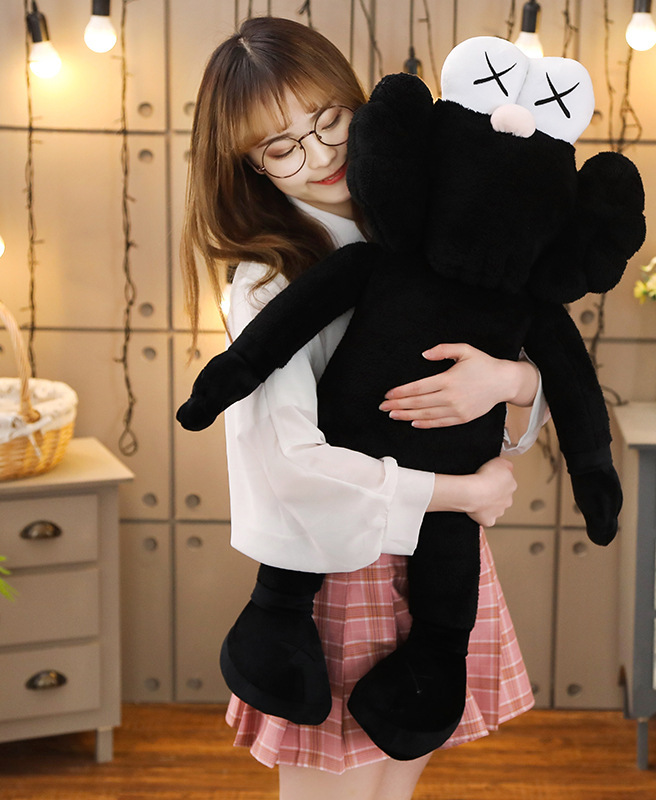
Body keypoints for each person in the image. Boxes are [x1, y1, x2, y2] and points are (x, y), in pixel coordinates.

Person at [181, 16, 550, 800]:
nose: (319, 157)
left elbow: (521, 363)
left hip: (440, 562)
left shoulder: (434, 223)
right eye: (281, 147)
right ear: (247, 165)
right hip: (338, 568)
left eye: (328, 120)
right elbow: (288, 464)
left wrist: (508, 382)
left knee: (395, 790)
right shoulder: (267, 283)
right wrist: (464, 492)